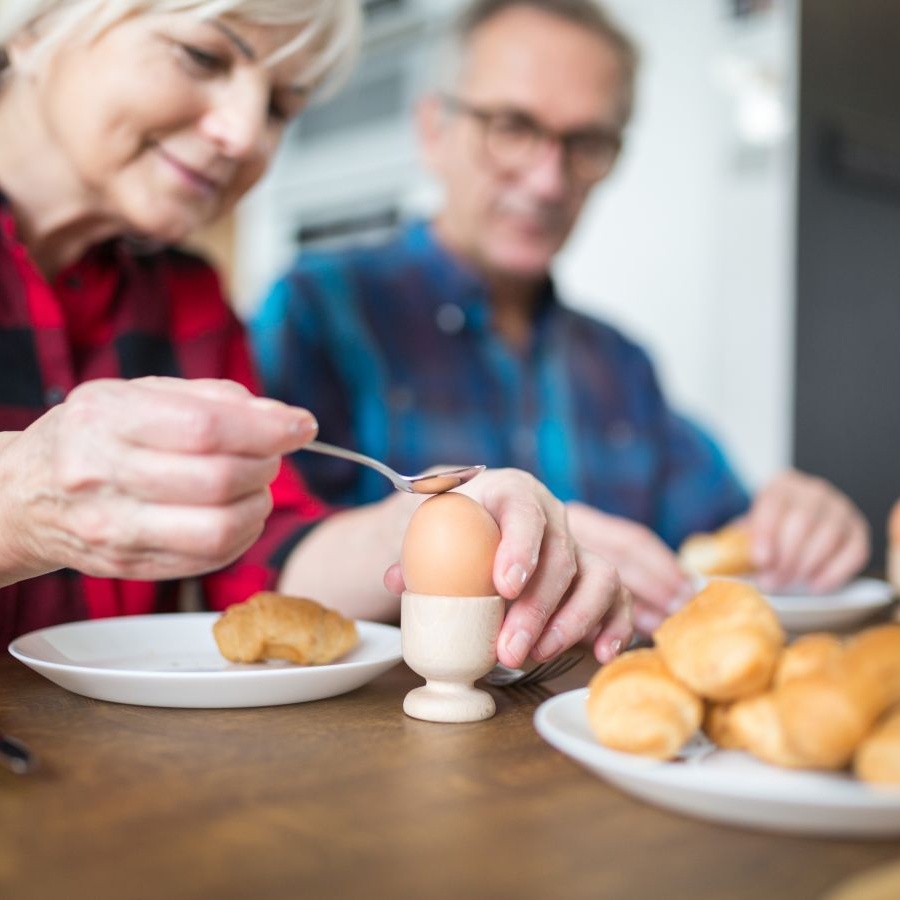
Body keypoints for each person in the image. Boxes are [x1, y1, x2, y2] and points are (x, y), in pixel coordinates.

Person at [0, 0, 633, 669]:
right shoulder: (312, 301)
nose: (246, 136)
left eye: (279, 105)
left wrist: (441, 518)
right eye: (202, 56)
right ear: (37, 18)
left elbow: (263, 561)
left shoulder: (187, 299)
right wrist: (19, 497)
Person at [252, 0, 871, 636]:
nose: (550, 180)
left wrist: (790, 530)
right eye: (513, 126)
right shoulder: (318, 312)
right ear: (433, 129)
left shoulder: (621, 365)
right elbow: (257, 567)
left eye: (585, 143)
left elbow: (719, 543)